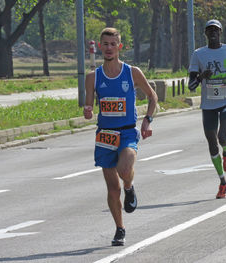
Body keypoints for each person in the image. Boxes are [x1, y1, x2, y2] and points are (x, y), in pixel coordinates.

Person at [84, 27, 158, 246]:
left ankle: (130, 187)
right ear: (100, 46)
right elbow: (88, 107)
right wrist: (88, 110)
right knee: (112, 188)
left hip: (126, 131)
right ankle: (119, 228)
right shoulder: (93, 77)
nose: (108, 48)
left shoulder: (132, 72)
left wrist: (147, 120)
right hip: (105, 135)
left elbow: (152, 97)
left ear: (119, 47)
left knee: (124, 170)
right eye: (105, 44)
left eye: (112, 44)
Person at [188, 19, 226, 199]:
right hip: (208, 104)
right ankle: (223, 182)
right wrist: (202, 76)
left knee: (222, 137)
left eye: (216, 30)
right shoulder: (198, 54)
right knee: (212, 143)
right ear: (205, 34)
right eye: (209, 30)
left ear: (220, 33)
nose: (213, 33)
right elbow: (191, 85)